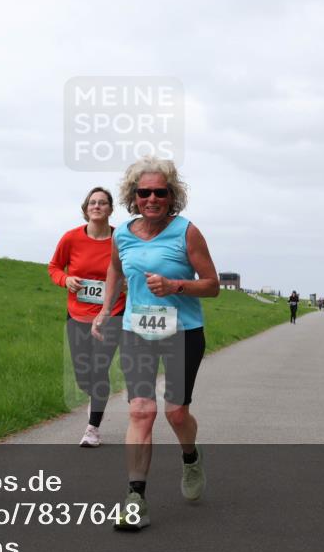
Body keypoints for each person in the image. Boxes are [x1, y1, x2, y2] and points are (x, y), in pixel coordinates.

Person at [92, 156, 219, 530]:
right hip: (137, 331)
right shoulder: (122, 234)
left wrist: (176, 285)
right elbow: (115, 269)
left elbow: (212, 285)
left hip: (183, 331)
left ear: (171, 195)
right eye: (143, 192)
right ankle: (135, 498)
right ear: (133, 196)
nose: (151, 199)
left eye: (159, 192)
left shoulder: (187, 232)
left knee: (175, 413)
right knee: (141, 411)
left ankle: (191, 456)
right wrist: (104, 310)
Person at [48, 187, 126, 447]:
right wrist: (66, 279)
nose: (97, 206)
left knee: (99, 369)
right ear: (85, 209)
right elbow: (54, 268)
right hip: (77, 313)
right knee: (84, 375)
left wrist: (127, 283)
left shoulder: (121, 239)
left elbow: (136, 267)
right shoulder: (71, 238)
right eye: (92, 203)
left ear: (110, 209)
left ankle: (92, 428)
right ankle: (96, 395)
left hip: (112, 313)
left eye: (102, 203)